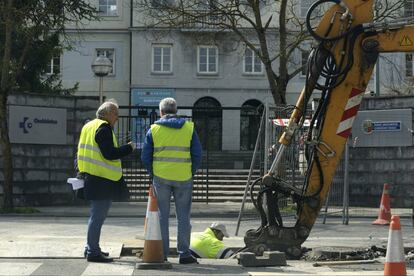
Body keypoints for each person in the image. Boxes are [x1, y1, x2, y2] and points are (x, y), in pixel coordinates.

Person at [141, 97, 202, 264]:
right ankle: (184, 253)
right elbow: (197, 154)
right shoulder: (189, 128)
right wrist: (191, 171)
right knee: (183, 217)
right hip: (184, 177)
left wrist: (153, 173)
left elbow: (145, 156)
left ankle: (163, 253)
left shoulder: (153, 129)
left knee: (162, 217)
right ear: (176, 111)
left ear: (161, 112)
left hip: (161, 178)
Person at [77, 99, 135, 263]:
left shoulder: (89, 126)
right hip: (101, 180)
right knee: (97, 216)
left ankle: (91, 248)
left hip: (91, 177)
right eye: (116, 114)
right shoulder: (104, 128)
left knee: (95, 216)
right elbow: (109, 153)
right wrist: (129, 148)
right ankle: (93, 252)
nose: (117, 118)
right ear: (108, 114)